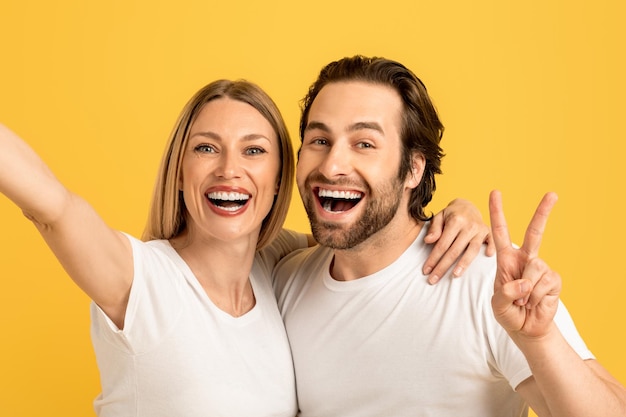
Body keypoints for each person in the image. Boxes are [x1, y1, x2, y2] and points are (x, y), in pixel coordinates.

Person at [0, 79, 490, 416]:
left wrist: (452, 217)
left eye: (253, 150)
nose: (228, 169)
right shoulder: (138, 279)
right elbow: (52, 205)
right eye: (206, 148)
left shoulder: (278, 271)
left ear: (280, 180)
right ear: (179, 170)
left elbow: (372, 239)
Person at [274, 55, 626, 416]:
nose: (332, 165)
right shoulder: (285, 283)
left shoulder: (486, 281)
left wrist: (541, 340)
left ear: (413, 168)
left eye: (364, 144)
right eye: (319, 140)